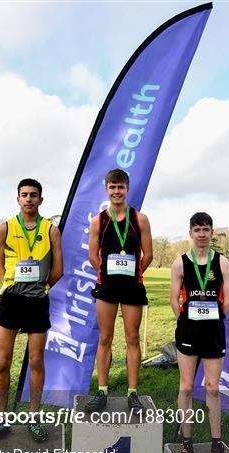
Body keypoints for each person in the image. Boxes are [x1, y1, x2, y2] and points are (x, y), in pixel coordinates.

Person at [0, 179, 63, 442]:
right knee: (3, 360)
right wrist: (12, 286)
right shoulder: (5, 228)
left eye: (34, 195)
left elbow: (58, 269)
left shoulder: (51, 229)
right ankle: (1, 419)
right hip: (11, 301)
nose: (29, 199)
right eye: (24, 195)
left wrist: (40, 288)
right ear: (17, 199)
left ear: (41, 199)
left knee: (36, 361)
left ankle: (34, 417)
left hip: (38, 302)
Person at [170, 212, 229, 453]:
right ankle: (187, 443)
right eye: (197, 229)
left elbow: (228, 299)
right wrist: (186, 321)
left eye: (206, 229)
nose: (201, 234)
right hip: (188, 333)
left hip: (213, 333)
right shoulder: (179, 263)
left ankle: (216, 444)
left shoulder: (221, 262)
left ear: (211, 232)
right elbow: (173, 299)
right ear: (190, 233)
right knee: (186, 387)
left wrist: (214, 319)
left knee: (212, 388)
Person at [86, 169, 153, 415]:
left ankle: (132, 393)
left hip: (133, 288)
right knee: (105, 338)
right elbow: (93, 257)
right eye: (112, 187)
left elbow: (149, 255)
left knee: (132, 338)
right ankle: (102, 391)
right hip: (107, 288)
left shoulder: (140, 219)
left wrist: (133, 274)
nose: (116, 191)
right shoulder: (98, 221)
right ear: (106, 189)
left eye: (121, 187)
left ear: (127, 189)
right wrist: (107, 274)